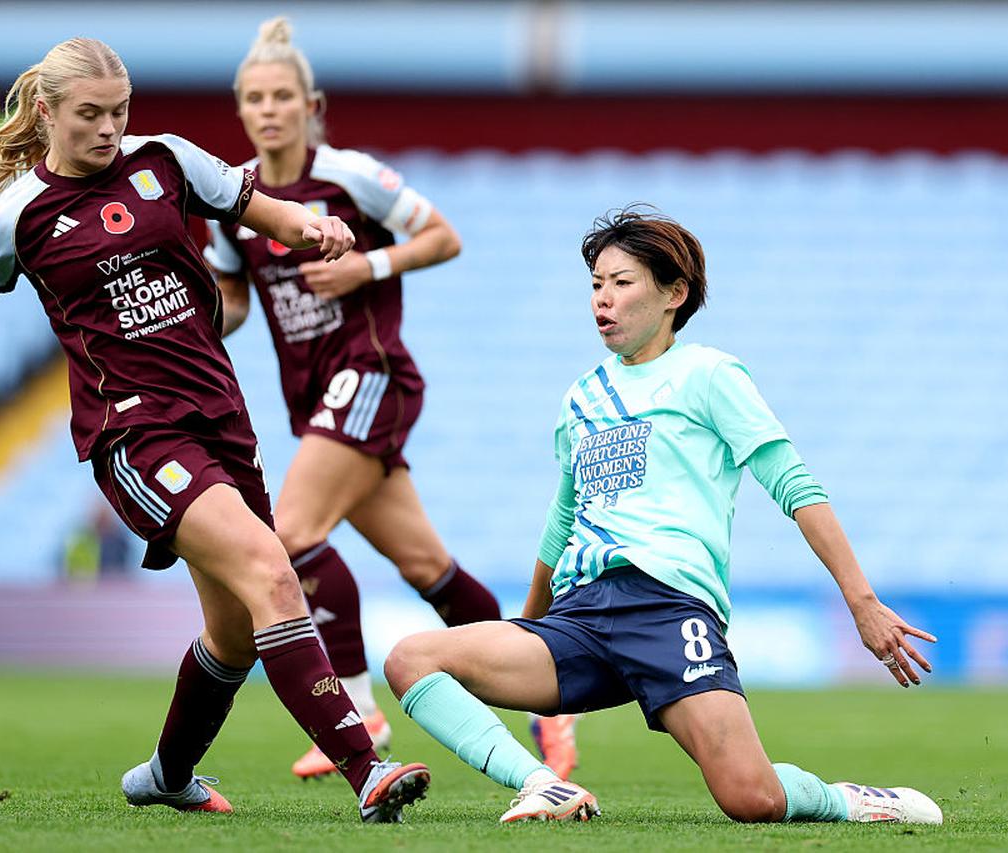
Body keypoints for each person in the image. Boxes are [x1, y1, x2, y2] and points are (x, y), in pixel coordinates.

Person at [0, 37, 430, 824]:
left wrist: (311, 230)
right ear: (47, 111)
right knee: (271, 569)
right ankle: (366, 767)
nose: (107, 129)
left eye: (118, 111)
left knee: (235, 632)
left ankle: (165, 773)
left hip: (221, 416)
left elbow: (262, 210)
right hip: (134, 436)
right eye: (89, 114)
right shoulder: (15, 215)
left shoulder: (168, 161)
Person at [383, 206, 943, 825]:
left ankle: (852, 800)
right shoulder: (582, 396)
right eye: (596, 284)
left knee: (749, 800)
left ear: (674, 293)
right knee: (411, 658)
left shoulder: (709, 374)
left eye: (622, 283)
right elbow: (563, 517)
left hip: (668, 609)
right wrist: (530, 625)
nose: (603, 299)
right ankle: (544, 785)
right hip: (580, 618)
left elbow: (793, 483)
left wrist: (860, 600)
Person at [204, 18, 502, 779]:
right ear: (239, 109)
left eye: (282, 97)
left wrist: (364, 266)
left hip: (372, 375)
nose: (268, 110)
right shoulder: (235, 197)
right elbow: (235, 299)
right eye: (254, 99)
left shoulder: (349, 175)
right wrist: (199, 320)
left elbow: (443, 237)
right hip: (316, 398)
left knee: (290, 530)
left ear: (313, 105)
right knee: (425, 563)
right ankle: (547, 691)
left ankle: (359, 705)